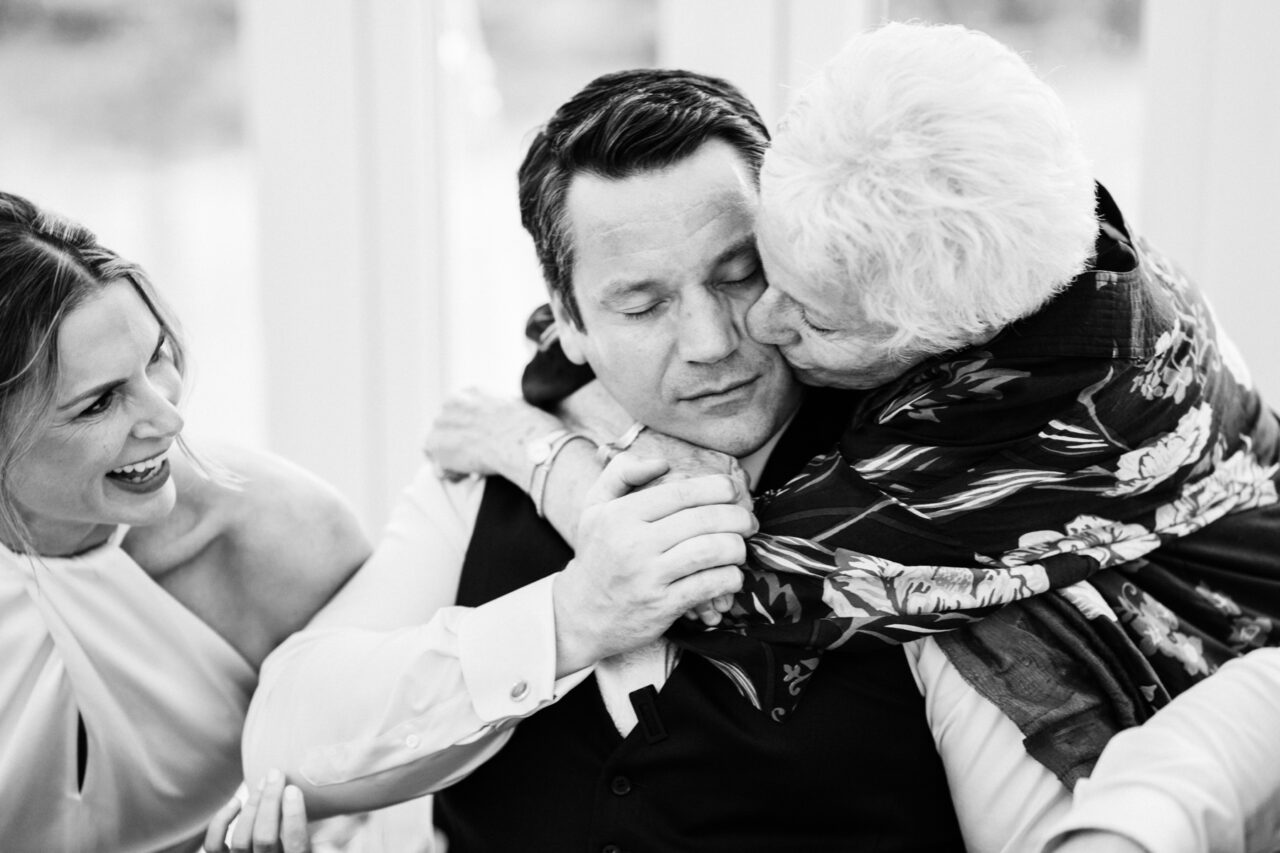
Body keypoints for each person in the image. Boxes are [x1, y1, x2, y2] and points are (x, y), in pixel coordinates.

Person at [245, 62, 1280, 853]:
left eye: (741, 274)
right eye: (640, 303)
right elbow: (284, 738)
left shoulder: (958, 534)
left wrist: (550, 463)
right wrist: (569, 619)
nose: (713, 340)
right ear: (560, 321)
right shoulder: (483, 477)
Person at [0, 190, 368, 853]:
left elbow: (384, 795)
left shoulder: (280, 534)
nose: (169, 418)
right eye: (100, 402)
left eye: (156, 357)